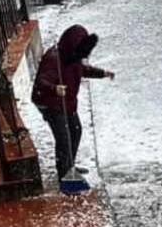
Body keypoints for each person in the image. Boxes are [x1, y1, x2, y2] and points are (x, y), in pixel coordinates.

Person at [32, 25, 114, 184]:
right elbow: (41, 81)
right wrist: (54, 88)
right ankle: (65, 176)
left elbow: (82, 69)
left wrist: (102, 73)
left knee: (75, 131)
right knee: (63, 138)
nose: (80, 57)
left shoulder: (73, 57)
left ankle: (69, 165)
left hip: (66, 103)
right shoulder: (53, 57)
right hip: (50, 103)